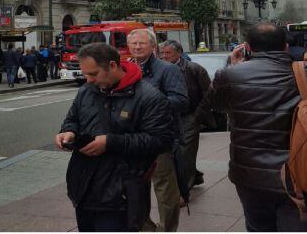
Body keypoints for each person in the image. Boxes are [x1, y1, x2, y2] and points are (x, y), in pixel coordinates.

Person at [206, 22, 307, 231]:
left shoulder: (229, 75)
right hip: (297, 173)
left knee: (258, 227)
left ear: (248, 47)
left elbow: (212, 106)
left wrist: (233, 67)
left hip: (248, 174)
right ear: (285, 46)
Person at [57, 42, 173, 232]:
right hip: (84, 185)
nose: (88, 80)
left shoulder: (149, 97)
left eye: (93, 74)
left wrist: (110, 142)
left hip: (121, 191)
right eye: (85, 73)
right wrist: (68, 132)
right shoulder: (86, 91)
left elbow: (160, 141)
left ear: (112, 66)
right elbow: (72, 119)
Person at [128, 28, 188, 232]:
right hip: (133, 140)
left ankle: (167, 229)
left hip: (159, 138)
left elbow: (180, 101)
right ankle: (146, 228)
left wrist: (145, 107)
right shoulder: (125, 68)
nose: (137, 47)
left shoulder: (168, 69)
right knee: (136, 189)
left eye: (142, 43)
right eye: (134, 43)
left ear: (153, 46)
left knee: (165, 189)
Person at [159, 39, 211, 191]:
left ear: (179, 53)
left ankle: (184, 189)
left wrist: (197, 116)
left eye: (168, 53)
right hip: (168, 117)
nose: (164, 56)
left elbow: (208, 94)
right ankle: (193, 176)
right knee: (174, 152)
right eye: (162, 53)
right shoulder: (160, 69)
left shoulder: (194, 69)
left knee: (185, 152)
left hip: (188, 116)